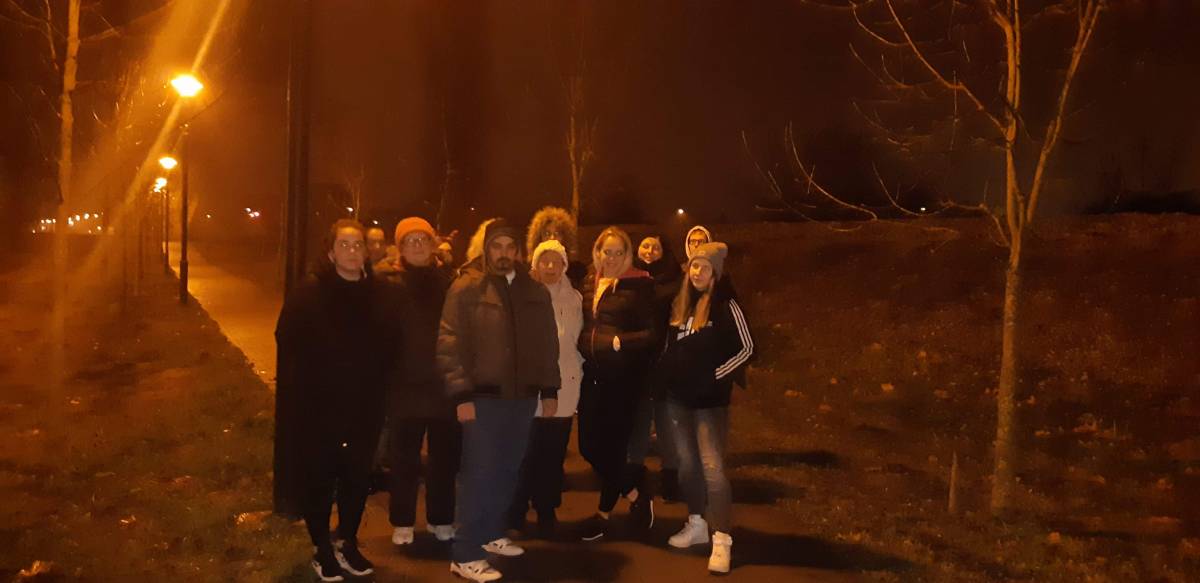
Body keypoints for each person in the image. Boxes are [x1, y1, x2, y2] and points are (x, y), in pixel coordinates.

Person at [438, 219, 560, 582]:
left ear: (518, 251)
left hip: (521, 398)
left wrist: (549, 389)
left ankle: (491, 532)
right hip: (482, 398)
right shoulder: (466, 287)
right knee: (479, 474)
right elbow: (449, 342)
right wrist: (461, 393)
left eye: (509, 246)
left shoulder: (533, 290)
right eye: (497, 246)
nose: (503, 253)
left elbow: (546, 342)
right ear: (486, 248)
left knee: (508, 470)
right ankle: (465, 553)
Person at [274, 219, 392, 581]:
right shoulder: (310, 293)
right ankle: (321, 548)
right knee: (321, 479)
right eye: (344, 244)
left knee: (357, 479)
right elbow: (287, 339)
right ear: (330, 252)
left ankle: (347, 541)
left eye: (358, 245)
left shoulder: (377, 292)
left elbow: (390, 342)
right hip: (319, 408)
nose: (353, 251)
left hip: (364, 407)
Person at [656, 242, 754, 575]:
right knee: (687, 467)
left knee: (713, 469)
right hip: (678, 401)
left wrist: (714, 377)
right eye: (694, 265)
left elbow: (747, 349)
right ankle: (697, 523)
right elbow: (669, 350)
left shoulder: (726, 305)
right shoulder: (679, 303)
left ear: (716, 273)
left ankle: (722, 538)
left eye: (705, 267)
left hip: (710, 404)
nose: (697, 272)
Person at [374, 217, 461, 547]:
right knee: (404, 461)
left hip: (444, 385)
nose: (417, 246)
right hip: (404, 386)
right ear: (400, 248)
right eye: (409, 241)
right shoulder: (387, 283)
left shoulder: (449, 281)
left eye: (422, 239)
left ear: (433, 244)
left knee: (444, 460)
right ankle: (403, 520)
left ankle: (442, 518)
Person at [576, 226, 659, 541]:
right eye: (606, 251)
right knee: (588, 447)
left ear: (627, 255)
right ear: (597, 252)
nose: (611, 258)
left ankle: (603, 514)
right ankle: (635, 493)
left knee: (612, 448)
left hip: (623, 380)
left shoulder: (640, 285)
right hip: (592, 376)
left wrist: (620, 342)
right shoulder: (589, 282)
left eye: (618, 252)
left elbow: (653, 334)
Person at [508, 239, 584, 538]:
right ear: (535, 264)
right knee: (524, 453)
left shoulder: (575, 298)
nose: (550, 267)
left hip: (565, 385)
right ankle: (516, 511)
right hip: (530, 388)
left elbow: (578, 341)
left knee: (552, 455)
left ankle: (546, 508)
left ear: (564, 265)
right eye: (544, 260)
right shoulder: (522, 296)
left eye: (556, 261)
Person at [626, 234, 683, 502]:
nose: (649, 250)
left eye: (656, 247)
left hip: (665, 361)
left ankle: (671, 478)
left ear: (664, 251)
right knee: (638, 422)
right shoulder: (629, 278)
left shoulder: (674, 281)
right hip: (637, 362)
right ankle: (635, 475)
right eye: (645, 245)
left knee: (666, 423)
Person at [525, 206, 586, 287]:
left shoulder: (577, 272)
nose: (552, 238)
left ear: (565, 237)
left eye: (557, 233)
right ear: (539, 237)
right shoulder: (527, 271)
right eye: (547, 234)